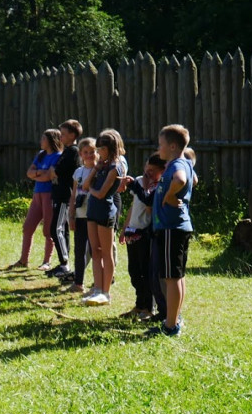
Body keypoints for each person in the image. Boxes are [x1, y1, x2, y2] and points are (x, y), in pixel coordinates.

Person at [149, 124, 195, 337]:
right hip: (176, 227)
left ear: (173, 146)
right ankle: (174, 319)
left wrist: (169, 195)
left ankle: (170, 326)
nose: (159, 149)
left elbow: (182, 180)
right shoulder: (182, 162)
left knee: (171, 278)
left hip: (171, 227)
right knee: (177, 276)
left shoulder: (177, 163)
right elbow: (193, 179)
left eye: (161, 145)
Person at [81, 130, 126, 306]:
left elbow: (100, 193)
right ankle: (97, 289)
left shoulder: (116, 168)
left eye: (100, 149)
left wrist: (90, 190)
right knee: (95, 251)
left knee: (106, 252)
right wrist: (95, 169)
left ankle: (106, 292)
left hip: (105, 211)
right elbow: (85, 184)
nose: (97, 152)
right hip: (92, 211)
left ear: (108, 148)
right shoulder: (102, 165)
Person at [120, 154, 166, 320]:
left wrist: (146, 188)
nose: (148, 174)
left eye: (153, 171)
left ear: (162, 171)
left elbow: (148, 208)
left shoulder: (159, 187)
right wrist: (125, 227)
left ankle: (148, 307)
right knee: (134, 271)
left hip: (145, 234)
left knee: (146, 272)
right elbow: (134, 205)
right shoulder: (139, 181)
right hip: (132, 232)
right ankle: (139, 304)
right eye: (147, 169)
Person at [11, 129, 61, 268]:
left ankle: (46, 262)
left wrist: (38, 174)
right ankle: (23, 260)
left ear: (51, 141)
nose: (41, 141)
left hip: (49, 195)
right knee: (28, 227)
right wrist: (39, 172)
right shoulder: (40, 155)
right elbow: (29, 173)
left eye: (43, 139)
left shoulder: (58, 156)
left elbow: (48, 177)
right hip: (37, 194)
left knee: (48, 230)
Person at [47, 120, 82, 277]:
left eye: (63, 134)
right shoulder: (66, 151)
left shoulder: (73, 152)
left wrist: (54, 171)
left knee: (56, 229)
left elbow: (57, 172)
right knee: (62, 229)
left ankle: (65, 263)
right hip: (58, 194)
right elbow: (52, 172)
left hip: (64, 196)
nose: (60, 137)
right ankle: (63, 263)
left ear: (72, 135)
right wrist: (53, 172)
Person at [67, 137, 97, 293]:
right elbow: (73, 195)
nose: (90, 155)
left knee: (94, 250)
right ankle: (78, 283)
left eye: (92, 152)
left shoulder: (98, 171)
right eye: (86, 152)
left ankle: (98, 283)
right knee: (79, 249)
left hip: (94, 215)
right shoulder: (78, 172)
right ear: (81, 154)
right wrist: (71, 215)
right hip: (80, 215)